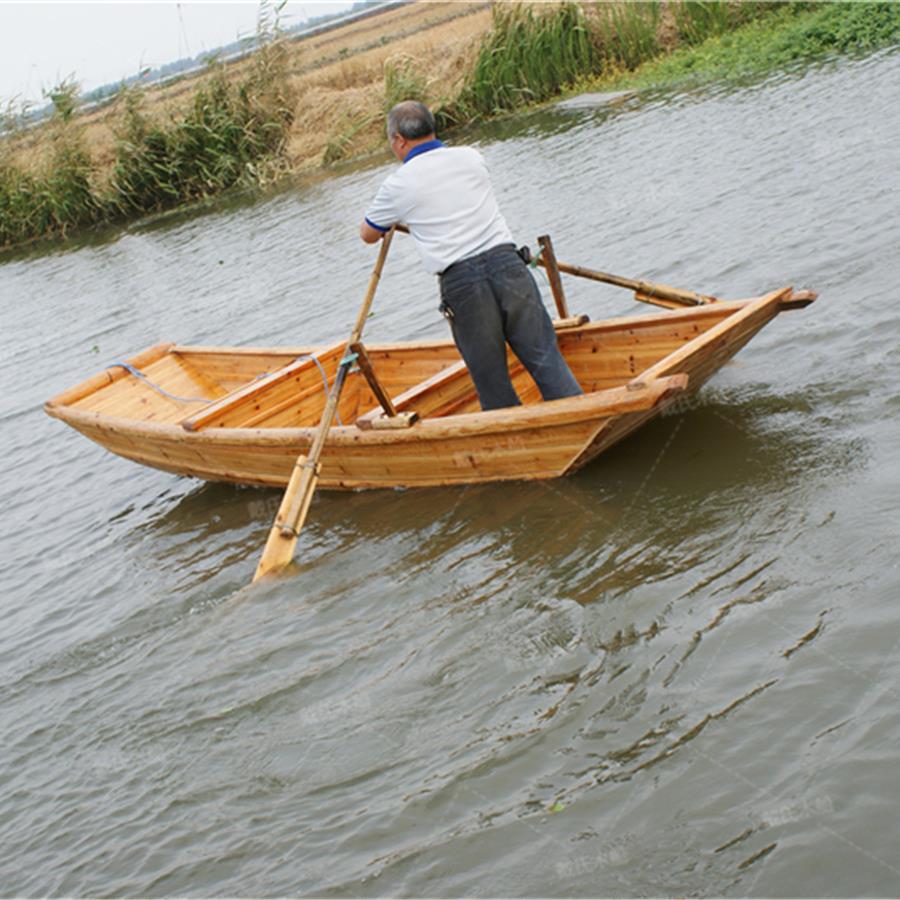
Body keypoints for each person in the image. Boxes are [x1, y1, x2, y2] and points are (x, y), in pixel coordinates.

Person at [360, 100, 583, 412]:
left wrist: (402, 217)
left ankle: (519, 450)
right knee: (546, 359)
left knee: (491, 381)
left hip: (464, 284)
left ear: (398, 140)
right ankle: (577, 417)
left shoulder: (397, 184)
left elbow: (368, 234)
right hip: (509, 266)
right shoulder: (471, 157)